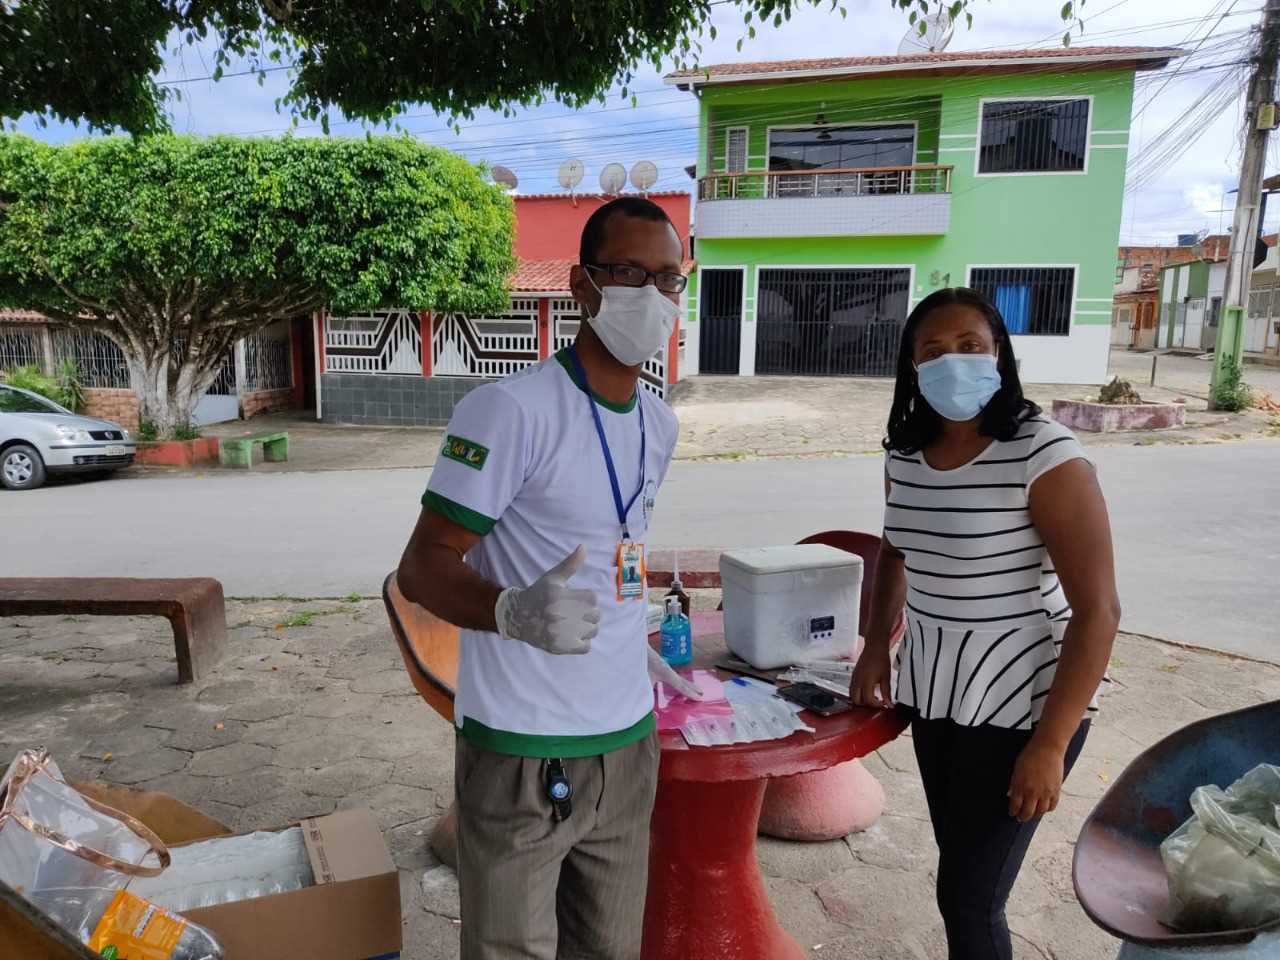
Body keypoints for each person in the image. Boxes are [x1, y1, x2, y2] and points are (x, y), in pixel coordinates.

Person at [397, 196, 701, 960]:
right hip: (524, 748)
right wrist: (509, 612)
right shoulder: (507, 410)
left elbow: (616, 547)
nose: (653, 295)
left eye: (670, 278)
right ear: (582, 285)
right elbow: (422, 567)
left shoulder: (659, 424)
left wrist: (632, 641)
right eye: (629, 272)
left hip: (628, 741)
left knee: (609, 950)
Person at [850, 287, 1119, 960]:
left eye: (970, 346)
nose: (953, 362)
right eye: (932, 351)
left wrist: (1050, 747)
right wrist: (875, 651)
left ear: (1000, 355)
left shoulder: (1043, 452)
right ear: (911, 368)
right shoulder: (904, 454)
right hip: (938, 690)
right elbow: (895, 551)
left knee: (970, 898)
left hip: (1022, 701)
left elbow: (1099, 611)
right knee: (961, 871)